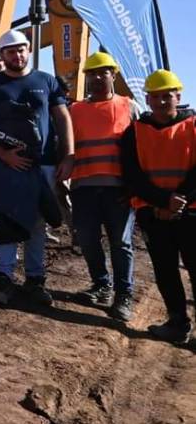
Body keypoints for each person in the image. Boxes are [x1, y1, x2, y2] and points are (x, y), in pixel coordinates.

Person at [0, 29, 73, 307]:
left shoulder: (46, 81)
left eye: (20, 49)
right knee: (6, 217)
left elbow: (62, 117)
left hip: (43, 164)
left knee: (37, 222)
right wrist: (2, 154)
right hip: (8, 165)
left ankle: (35, 279)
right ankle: (3, 276)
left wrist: (69, 155)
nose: (16, 55)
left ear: (28, 49)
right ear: (1, 56)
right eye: (10, 51)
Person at [121, 69, 196, 345]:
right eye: (156, 97)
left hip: (190, 213)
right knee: (165, 269)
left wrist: (180, 199)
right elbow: (132, 175)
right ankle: (177, 322)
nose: (163, 101)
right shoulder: (135, 133)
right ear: (148, 99)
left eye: (168, 96)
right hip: (154, 213)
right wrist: (163, 202)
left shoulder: (193, 126)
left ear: (178, 96)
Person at [69, 52, 141, 321]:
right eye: (92, 73)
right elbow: (66, 147)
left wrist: (135, 187)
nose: (97, 78)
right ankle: (101, 284)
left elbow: (140, 152)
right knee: (87, 239)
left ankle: (124, 295)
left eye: (103, 72)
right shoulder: (75, 110)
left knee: (120, 243)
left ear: (114, 74)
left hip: (118, 189)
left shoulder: (129, 107)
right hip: (84, 186)